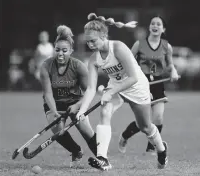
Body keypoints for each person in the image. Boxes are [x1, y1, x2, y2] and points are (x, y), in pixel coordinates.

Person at [76, 13, 168, 171]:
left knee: (144, 126)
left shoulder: (118, 47)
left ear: (104, 35)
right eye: (88, 42)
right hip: (116, 86)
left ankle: (161, 149)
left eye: (93, 41)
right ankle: (103, 158)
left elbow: (132, 77)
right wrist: (82, 111)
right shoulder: (93, 59)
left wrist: (110, 93)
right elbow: (91, 88)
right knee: (105, 111)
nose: (90, 45)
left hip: (137, 86)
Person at [119, 16, 179, 154]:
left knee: (158, 117)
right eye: (153, 23)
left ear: (163, 29)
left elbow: (170, 64)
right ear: (149, 27)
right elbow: (128, 60)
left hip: (157, 84)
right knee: (143, 122)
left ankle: (151, 147)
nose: (155, 26)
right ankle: (124, 137)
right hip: (141, 83)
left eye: (159, 24)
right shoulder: (139, 44)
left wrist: (173, 71)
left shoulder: (166, 46)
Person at [39, 25, 97, 168]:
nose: (60, 54)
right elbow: (47, 94)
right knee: (57, 129)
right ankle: (76, 151)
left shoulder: (78, 66)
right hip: (54, 103)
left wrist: (77, 106)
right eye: (57, 50)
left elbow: (89, 91)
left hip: (75, 101)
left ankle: (102, 158)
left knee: (85, 130)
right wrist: (54, 112)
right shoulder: (46, 66)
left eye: (64, 51)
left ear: (71, 51)